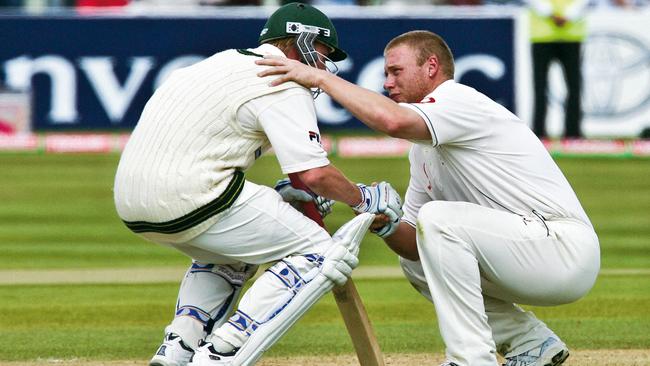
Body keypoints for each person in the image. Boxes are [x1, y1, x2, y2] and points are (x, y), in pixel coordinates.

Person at [257, 30, 600, 366]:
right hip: (525, 254)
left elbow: (390, 121)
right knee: (418, 257)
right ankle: (531, 344)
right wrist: (379, 215)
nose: (387, 83)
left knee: (437, 219)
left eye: (395, 71)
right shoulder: (421, 152)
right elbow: (412, 244)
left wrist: (319, 78)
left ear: (431, 66)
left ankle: (470, 359)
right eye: (385, 74)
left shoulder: (459, 100)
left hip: (562, 249)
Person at [113, 3, 402, 366]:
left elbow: (294, 176)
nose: (324, 67)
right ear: (304, 44)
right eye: (323, 54)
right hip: (193, 196)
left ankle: (179, 346)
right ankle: (225, 348)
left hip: (130, 201)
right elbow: (314, 175)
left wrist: (288, 192)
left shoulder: (212, 65)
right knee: (321, 252)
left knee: (234, 249)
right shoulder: (281, 80)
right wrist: (364, 198)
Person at [528, 0, 589, 138]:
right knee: (541, 87)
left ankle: (573, 132)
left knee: (574, 86)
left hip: (568, 35)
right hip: (544, 35)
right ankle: (539, 131)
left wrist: (563, 15)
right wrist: (557, 15)